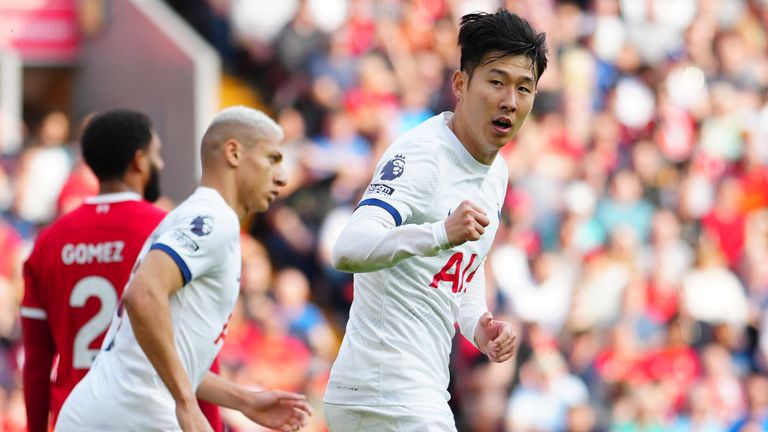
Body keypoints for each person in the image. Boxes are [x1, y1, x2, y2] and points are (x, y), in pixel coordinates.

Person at [323, 9, 548, 431]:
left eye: (524, 88)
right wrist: (439, 232)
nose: (509, 100)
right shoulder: (422, 157)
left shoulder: (494, 172)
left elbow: (462, 267)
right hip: (386, 394)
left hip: (411, 392)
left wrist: (477, 324)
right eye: (496, 81)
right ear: (460, 85)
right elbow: (348, 247)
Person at [55, 106, 312, 431]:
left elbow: (165, 353)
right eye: (273, 159)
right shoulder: (211, 220)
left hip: (109, 409)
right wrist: (186, 403)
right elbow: (143, 295)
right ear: (234, 153)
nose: (283, 176)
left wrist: (244, 400)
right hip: (135, 413)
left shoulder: (195, 216)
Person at [21, 110, 168, 431]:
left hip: (73, 418)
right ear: (139, 160)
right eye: (157, 155)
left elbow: (36, 360)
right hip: (145, 418)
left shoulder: (48, 241)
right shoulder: (165, 231)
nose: (162, 165)